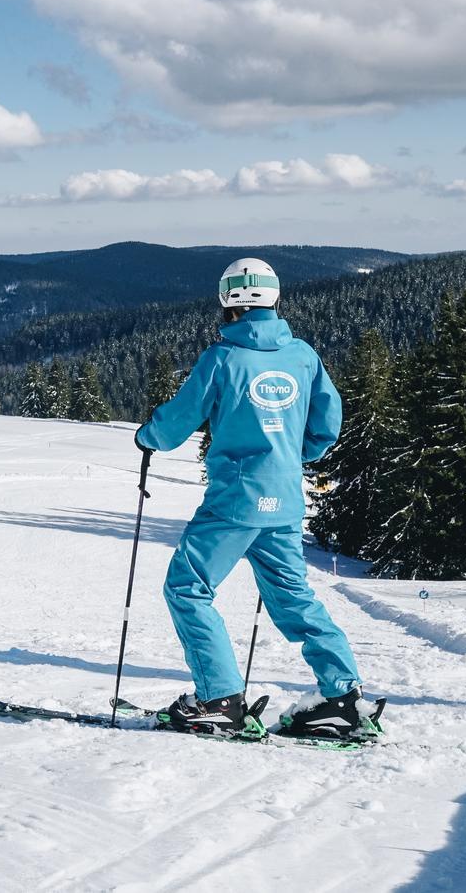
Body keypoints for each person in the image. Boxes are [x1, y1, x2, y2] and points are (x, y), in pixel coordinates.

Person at [135, 258, 370, 739]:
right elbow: (327, 423)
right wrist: (291, 455)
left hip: (236, 500)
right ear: (275, 297)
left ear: (227, 301)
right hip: (284, 498)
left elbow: (178, 420)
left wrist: (147, 438)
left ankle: (218, 698)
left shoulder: (222, 358)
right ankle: (340, 697)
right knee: (293, 598)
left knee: (187, 586)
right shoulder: (303, 355)